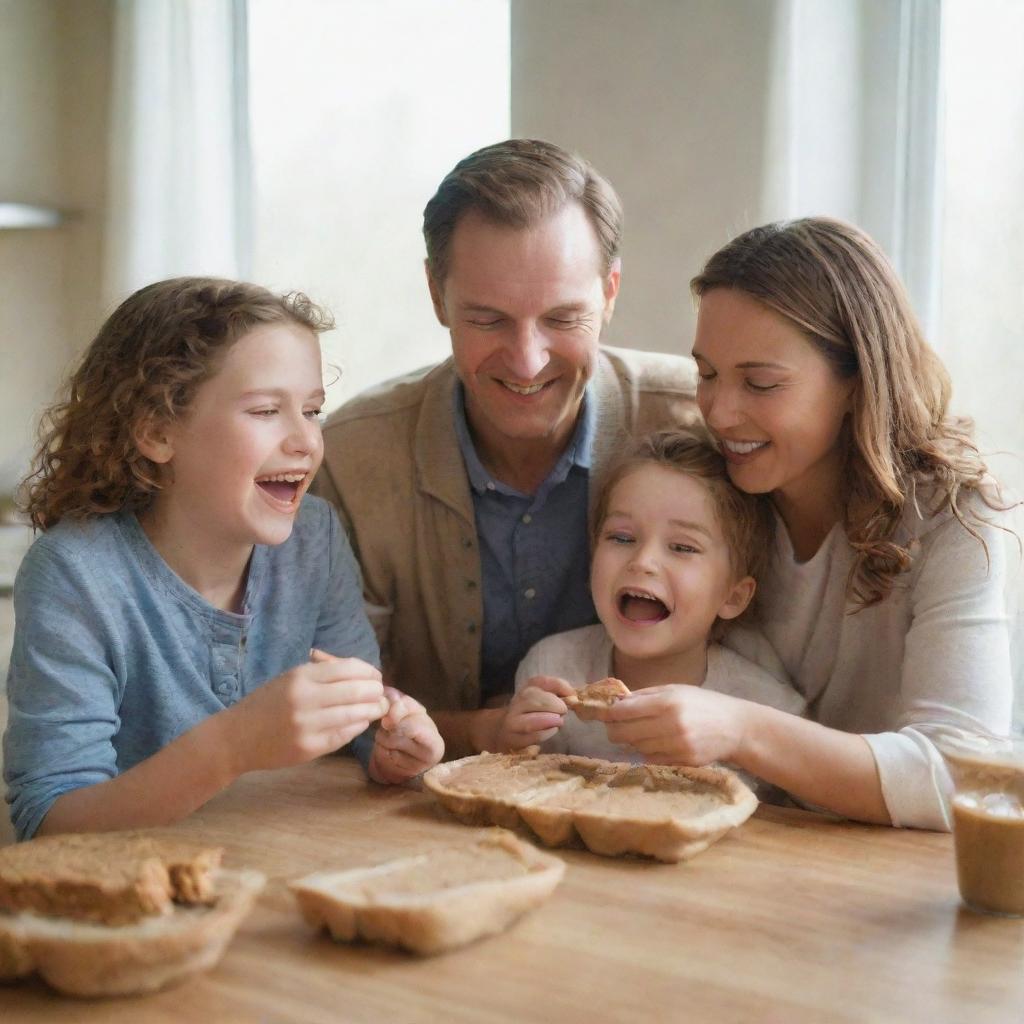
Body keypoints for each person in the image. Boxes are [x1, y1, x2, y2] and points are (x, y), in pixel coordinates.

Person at [4, 277, 444, 842]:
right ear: (157, 432)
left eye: (312, 410)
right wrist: (233, 746)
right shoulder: (75, 574)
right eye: (265, 411)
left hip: (278, 862)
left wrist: (391, 748)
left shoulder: (316, 537)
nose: (306, 441)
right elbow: (50, 825)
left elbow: (356, 728)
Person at [313, 139, 699, 757]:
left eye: (563, 318)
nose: (527, 360)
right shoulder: (350, 460)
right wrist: (476, 733)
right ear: (438, 297)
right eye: (488, 320)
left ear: (610, 293)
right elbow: (339, 703)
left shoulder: (698, 422)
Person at [660, 216, 1017, 831]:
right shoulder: (704, 495)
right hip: (766, 850)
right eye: (707, 374)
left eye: (761, 382)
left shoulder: (957, 514)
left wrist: (739, 725)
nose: (719, 411)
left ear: (857, 380)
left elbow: (959, 774)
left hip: (912, 878)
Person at [491, 429, 806, 761]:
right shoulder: (552, 669)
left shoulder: (769, 711)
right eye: (622, 538)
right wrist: (511, 742)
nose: (643, 562)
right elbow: (524, 784)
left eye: (683, 547)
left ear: (734, 597)